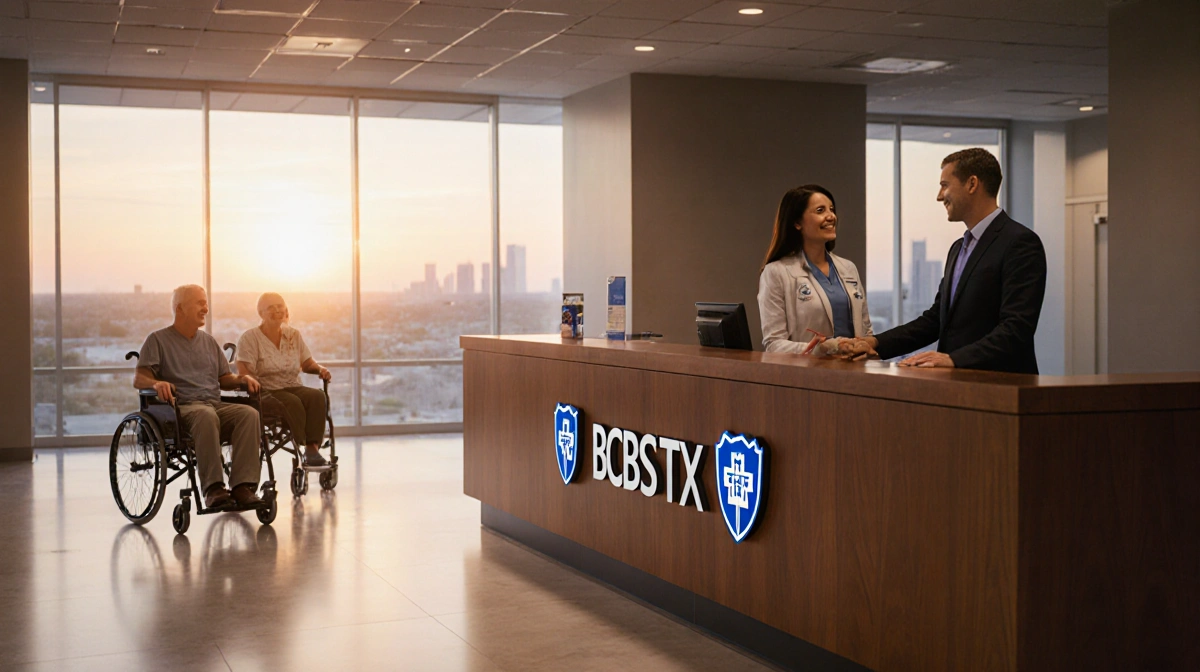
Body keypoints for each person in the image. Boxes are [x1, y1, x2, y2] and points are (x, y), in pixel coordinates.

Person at [840, 148, 1047, 373]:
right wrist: (877, 343)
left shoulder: (1020, 243)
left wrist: (953, 359)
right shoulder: (958, 249)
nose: (939, 196)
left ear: (972, 184)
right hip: (956, 389)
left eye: (945, 185)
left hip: (1002, 388)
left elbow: (1016, 328)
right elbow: (936, 320)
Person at [133, 285, 263, 510]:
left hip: (213, 404)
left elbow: (224, 379)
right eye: (199, 303)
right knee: (205, 415)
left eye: (206, 303)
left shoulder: (209, 342)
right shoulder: (158, 340)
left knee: (248, 414)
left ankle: (243, 486)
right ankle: (213, 489)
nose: (205, 308)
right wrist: (156, 382)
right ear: (180, 308)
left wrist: (243, 378)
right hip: (181, 409)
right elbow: (139, 379)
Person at [758, 184, 873, 355]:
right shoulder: (776, 272)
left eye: (832, 209)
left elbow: (867, 331)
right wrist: (822, 348)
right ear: (797, 223)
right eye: (820, 211)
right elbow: (774, 345)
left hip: (854, 373)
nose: (831, 216)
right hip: (809, 376)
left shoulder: (848, 268)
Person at [236, 293, 332, 467]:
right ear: (261, 313)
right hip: (265, 391)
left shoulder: (293, 335)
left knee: (317, 396)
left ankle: (312, 448)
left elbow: (306, 363)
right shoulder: (250, 338)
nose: (277, 310)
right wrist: (250, 381)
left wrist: (320, 369)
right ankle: (304, 446)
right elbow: (243, 372)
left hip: (293, 385)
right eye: (270, 307)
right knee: (292, 402)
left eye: (280, 306)